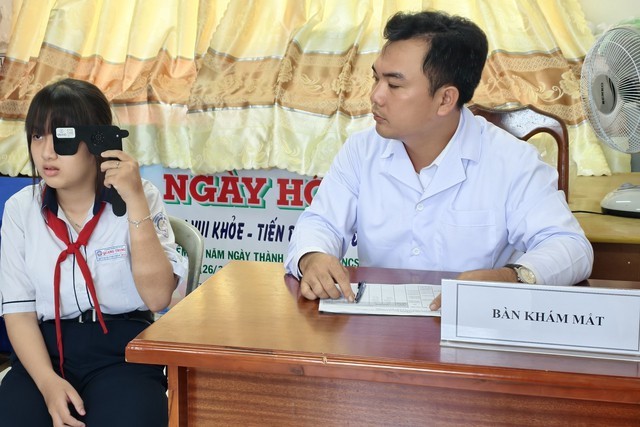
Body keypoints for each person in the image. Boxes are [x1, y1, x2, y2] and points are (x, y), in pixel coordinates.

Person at [285, 10, 593, 306]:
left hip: (473, 329)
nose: (375, 96)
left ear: (445, 99)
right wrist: (312, 256)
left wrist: (510, 277)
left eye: (394, 84)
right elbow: (321, 222)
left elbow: (570, 246)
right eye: (375, 78)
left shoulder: (511, 161)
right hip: (378, 329)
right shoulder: (361, 151)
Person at [0, 78, 187, 427]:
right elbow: (19, 314)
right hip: (44, 350)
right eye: (37, 135)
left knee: (132, 417)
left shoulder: (140, 195)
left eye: (63, 137)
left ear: (97, 141)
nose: (46, 152)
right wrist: (48, 383)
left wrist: (134, 200)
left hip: (122, 350)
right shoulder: (20, 210)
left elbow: (158, 297)